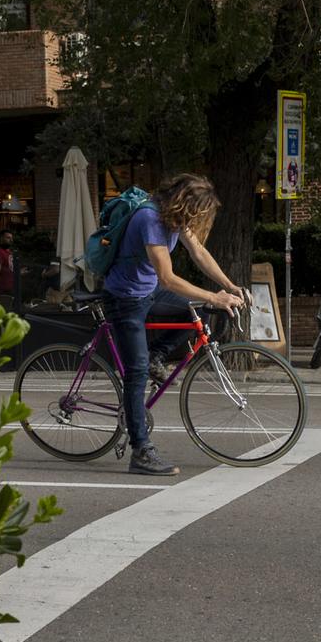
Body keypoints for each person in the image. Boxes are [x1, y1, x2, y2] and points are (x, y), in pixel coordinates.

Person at [101, 174, 245, 478]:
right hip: (124, 299)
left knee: (198, 313)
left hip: (148, 292)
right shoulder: (149, 219)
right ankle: (140, 451)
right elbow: (167, 278)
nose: (199, 219)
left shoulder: (174, 218)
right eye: (198, 211)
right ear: (185, 204)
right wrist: (213, 296)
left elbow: (200, 254)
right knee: (136, 372)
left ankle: (157, 356)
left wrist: (229, 287)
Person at [0, 231, 17, 309]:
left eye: (11, 238)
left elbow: (10, 269)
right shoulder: (0, 252)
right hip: (2, 289)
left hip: (11, 288)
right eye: (8, 237)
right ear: (2, 238)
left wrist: (20, 272)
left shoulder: (10, 253)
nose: (11, 240)